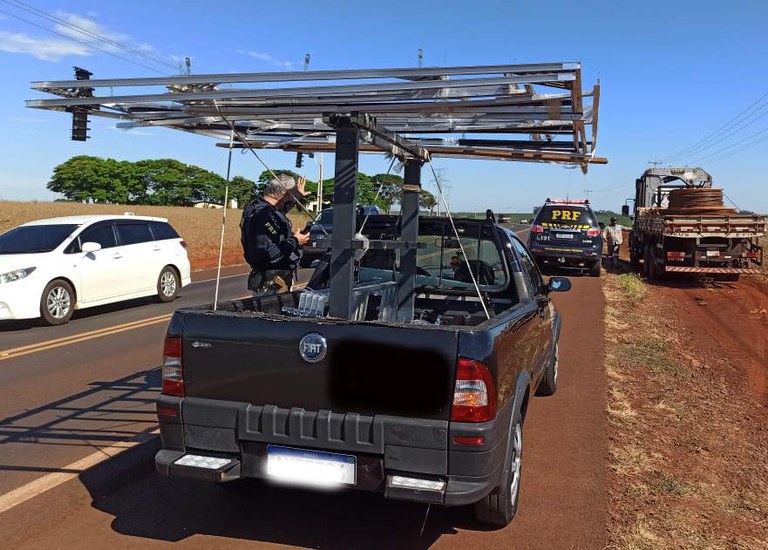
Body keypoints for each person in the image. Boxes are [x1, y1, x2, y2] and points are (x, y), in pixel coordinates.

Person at [241, 174, 310, 294]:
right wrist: (296, 241)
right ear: (285, 193)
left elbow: (278, 212)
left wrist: (298, 196)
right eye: (291, 194)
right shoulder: (263, 215)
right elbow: (271, 253)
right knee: (272, 311)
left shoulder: (256, 207)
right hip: (272, 282)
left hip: (269, 277)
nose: (291, 198)